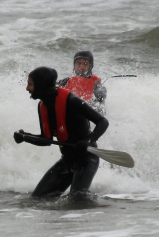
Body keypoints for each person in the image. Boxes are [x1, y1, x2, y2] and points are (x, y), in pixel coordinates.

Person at [13, 66, 109, 199]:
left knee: (78, 198)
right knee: (37, 199)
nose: (27, 88)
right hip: (67, 161)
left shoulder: (72, 101)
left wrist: (89, 140)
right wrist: (25, 137)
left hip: (86, 159)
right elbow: (45, 139)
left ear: (41, 86)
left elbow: (102, 122)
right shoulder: (43, 105)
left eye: (30, 84)